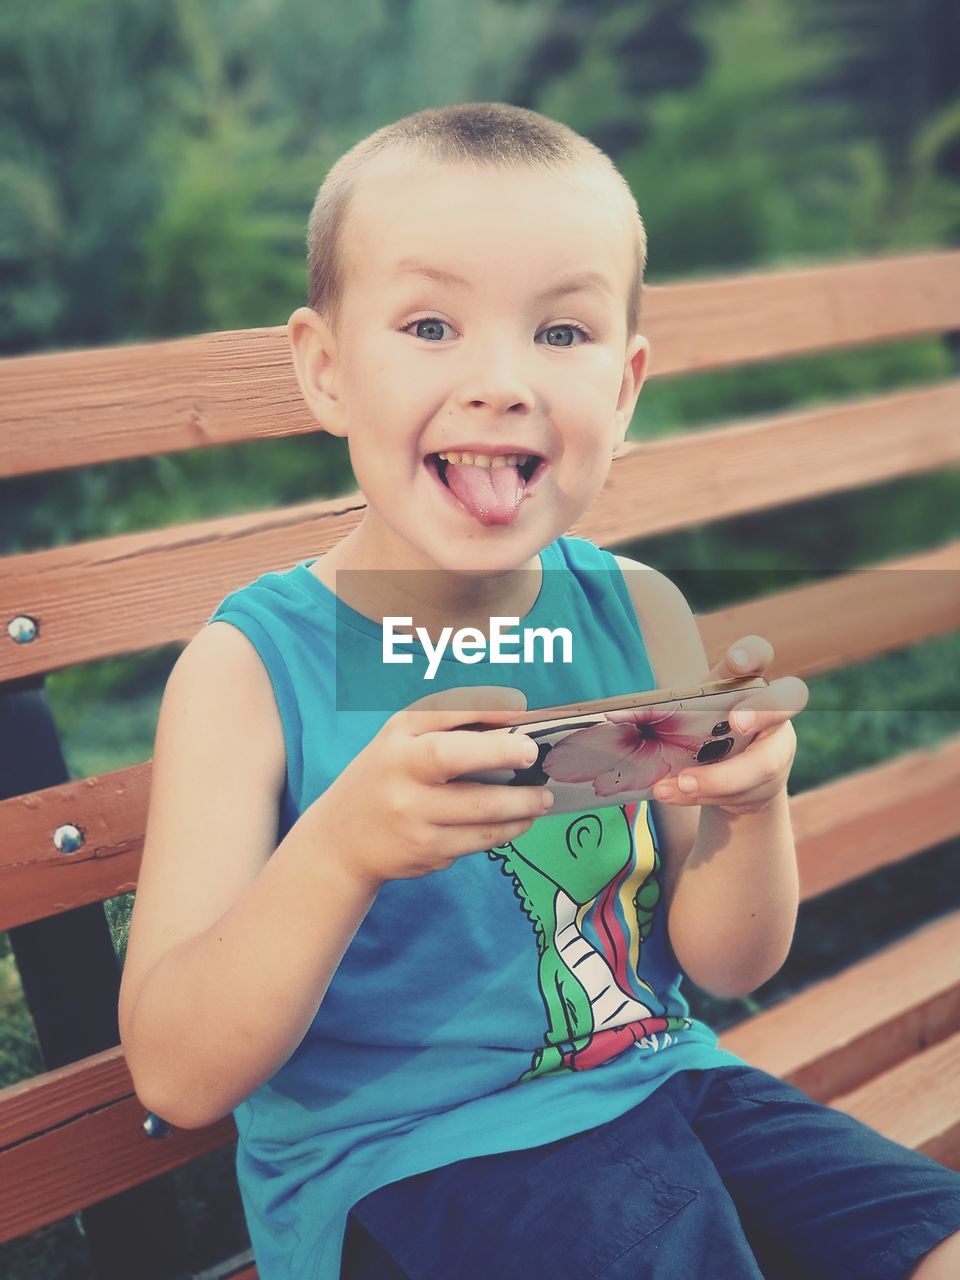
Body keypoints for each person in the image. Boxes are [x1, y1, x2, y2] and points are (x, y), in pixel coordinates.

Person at [117, 102, 960, 1280]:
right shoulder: (255, 668)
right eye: (428, 323)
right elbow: (176, 1071)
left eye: (560, 333)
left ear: (623, 387)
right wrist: (343, 847)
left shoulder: (637, 610)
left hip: (669, 1081)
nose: (501, 382)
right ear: (325, 369)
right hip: (411, 1162)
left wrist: (748, 807)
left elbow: (724, 967)